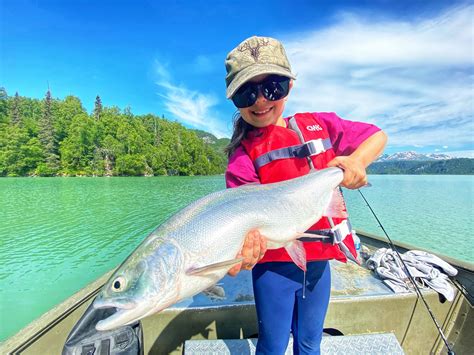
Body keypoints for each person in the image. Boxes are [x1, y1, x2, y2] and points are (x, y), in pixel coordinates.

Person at [223, 36, 387, 355]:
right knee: (271, 345)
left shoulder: (320, 125)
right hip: (272, 266)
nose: (259, 101)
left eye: (272, 87)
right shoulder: (242, 156)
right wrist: (239, 251)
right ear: (234, 99)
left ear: (290, 86)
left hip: (319, 263)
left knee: (311, 342)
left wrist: (356, 162)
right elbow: (241, 215)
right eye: (246, 92)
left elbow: (378, 136)